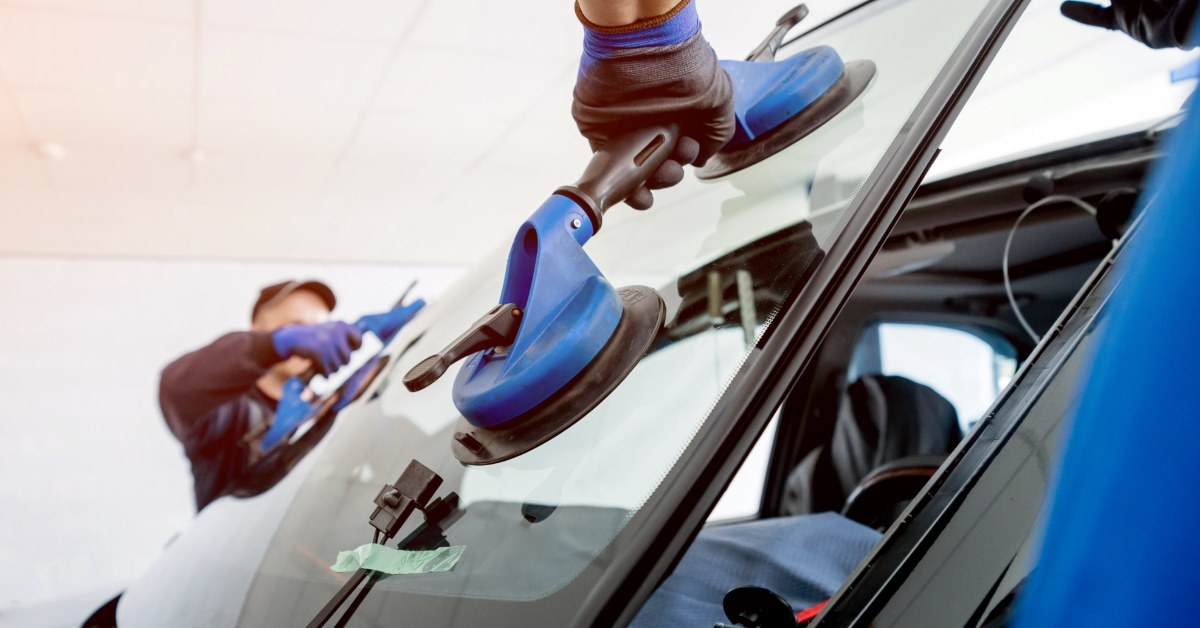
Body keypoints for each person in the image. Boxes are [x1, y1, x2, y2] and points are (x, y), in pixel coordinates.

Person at [159, 280, 363, 512]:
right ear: (256, 331)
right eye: (296, 326)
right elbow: (177, 385)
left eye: (318, 327)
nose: (313, 335)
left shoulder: (326, 408)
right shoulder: (223, 410)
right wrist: (271, 347)